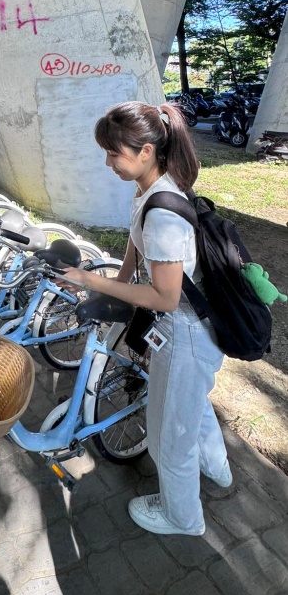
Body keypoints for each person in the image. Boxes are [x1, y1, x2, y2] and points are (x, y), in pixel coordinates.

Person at [62, 101, 231, 538]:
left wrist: (92, 281)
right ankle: (219, 470)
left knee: (167, 438)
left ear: (147, 151)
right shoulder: (153, 190)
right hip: (191, 332)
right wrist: (117, 278)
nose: (107, 162)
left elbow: (166, 297)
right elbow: (138, 247)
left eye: (113, 152)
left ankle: (183, 518)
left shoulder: (160, 212)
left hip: (186, 335)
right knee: (192, 409)